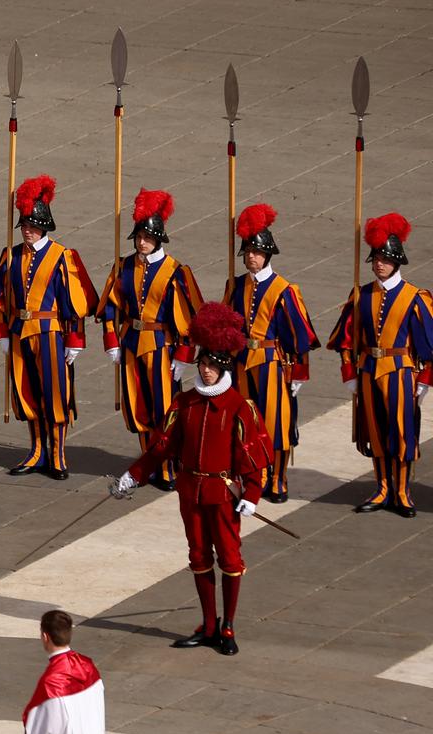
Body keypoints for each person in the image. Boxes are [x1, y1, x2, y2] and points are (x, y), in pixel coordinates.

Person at [114, 303, 272, 656]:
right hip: (190, 492)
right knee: (198, 556)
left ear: (224, 368)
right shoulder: (184, 402)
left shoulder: (239, 407)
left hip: (223, 494)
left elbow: (253, 457)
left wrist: (252, 494)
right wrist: (134, 475)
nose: (206, 371)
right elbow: (162, 446)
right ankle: (209, 623)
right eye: (203, 365)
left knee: (230, 559)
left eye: (212, 366)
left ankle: (228, 626)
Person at [0, 176, 98, 480]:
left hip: (50, 334)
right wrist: (1, 333)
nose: (27, 230)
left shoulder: (62, 257)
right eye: (24, 225)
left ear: (44, 226)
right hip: (19, 332)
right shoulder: (11, 255)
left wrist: (75, 339)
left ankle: (57, 455)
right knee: (28, 394)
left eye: (32, 225)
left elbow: (75, 302)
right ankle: (36, 451)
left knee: (55, 395)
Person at [326, 213, 433, 517]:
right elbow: (346, 338)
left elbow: (428, 345)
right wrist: (349, 372)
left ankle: (402, 492)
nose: (379, 264)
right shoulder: (361, 295)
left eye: (385, 259)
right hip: (369, 369)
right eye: (376, 259)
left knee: (401, 433)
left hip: (401, 371)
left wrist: (424, 380)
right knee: (374, 431)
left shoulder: (415, 297)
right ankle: (383, 488)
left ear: (397, 261)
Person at [99, 189, 204, 490]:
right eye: (139, 237)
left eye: (147, 238)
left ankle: (169, 466)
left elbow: (188, 318)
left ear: (158, 239)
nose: (141, 242)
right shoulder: (124, 266)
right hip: (131, 343)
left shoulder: (175, 272)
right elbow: (111, 307)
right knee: (139, 407)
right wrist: (112, 341)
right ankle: (148, 462)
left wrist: (183, 356)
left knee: (164, 410)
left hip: (161, 347)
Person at [225, 205, 319, 503]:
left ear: (267, 254)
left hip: (272, 364)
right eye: (248, 252)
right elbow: (227, 325)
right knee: (246, 423)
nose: (251, 257)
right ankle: (255, 475)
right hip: (242, 361)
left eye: (257, 252)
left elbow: (299, 334)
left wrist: (299, 372)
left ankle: (278, 478)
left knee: (276, 423)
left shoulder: (284, 290)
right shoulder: (236, 285)